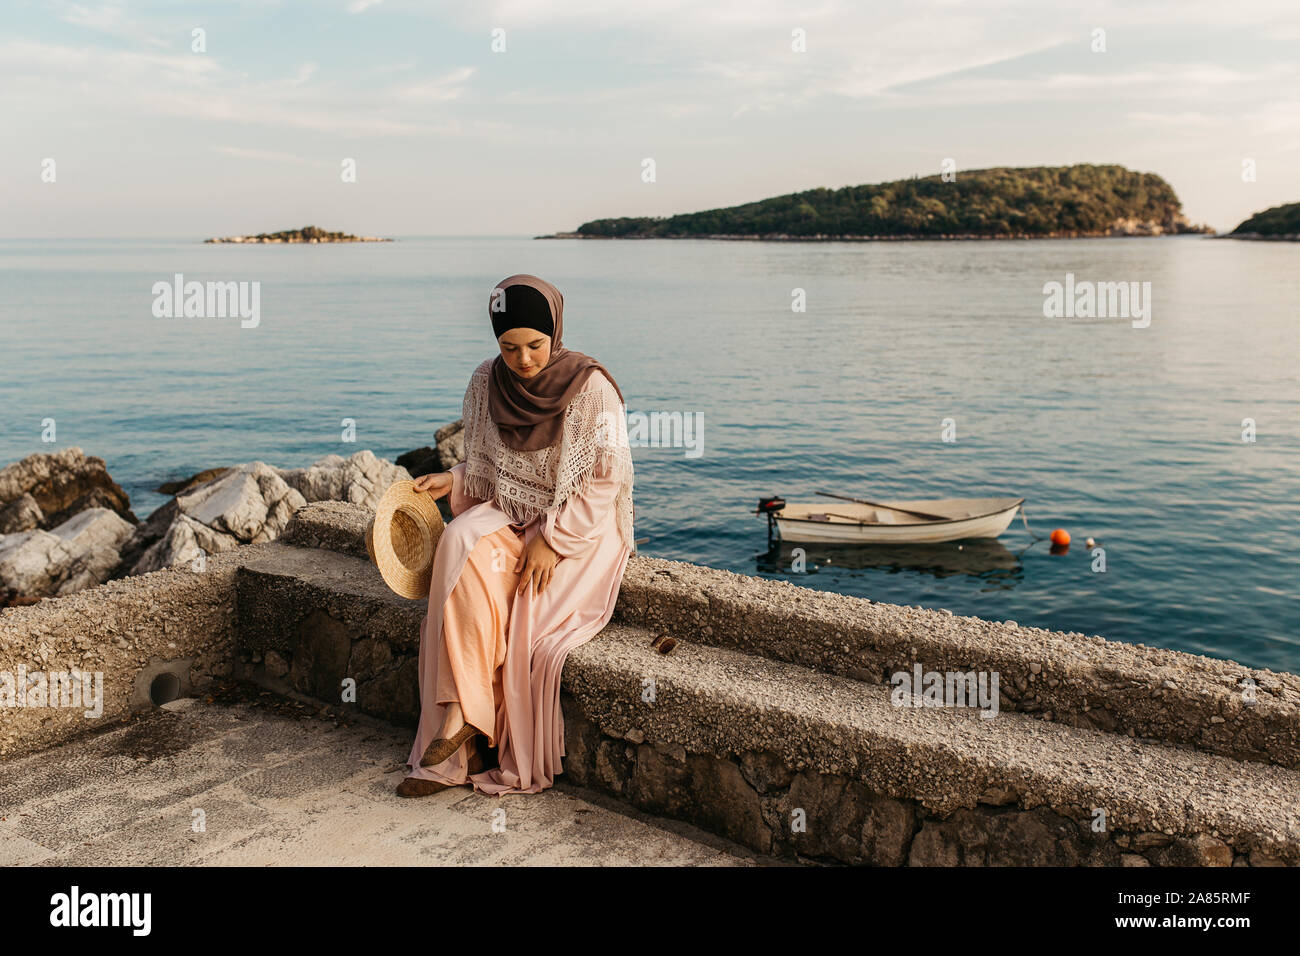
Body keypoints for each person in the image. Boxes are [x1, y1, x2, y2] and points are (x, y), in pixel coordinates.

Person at [397, 273, 634, 797]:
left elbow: (605, 480)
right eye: (509, 347)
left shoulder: (594, 388)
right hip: (511, 509)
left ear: (556, 333)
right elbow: (484, 466)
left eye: (534, 345)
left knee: (527, 616)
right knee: (459, 542)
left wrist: (552, 538)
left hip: (578, 526)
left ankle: (472, 732)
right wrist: (453, 479)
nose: (523, 360)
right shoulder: (487, 381)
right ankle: (458, 723)